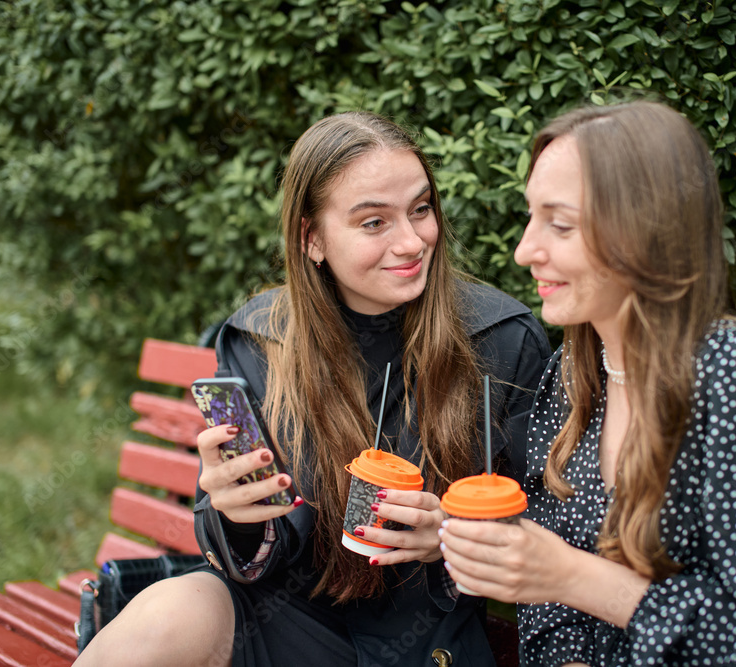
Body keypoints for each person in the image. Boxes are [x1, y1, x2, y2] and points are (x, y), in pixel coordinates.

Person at [75, 111, 551, 667]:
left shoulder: (501, 341)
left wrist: (453, 537)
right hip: (280, 624)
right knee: (169, 611)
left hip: (426, 642)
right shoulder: (259, 341)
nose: (411, 241)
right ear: (312, 239)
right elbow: (254, 551)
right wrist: (231, 511)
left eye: (420, 210)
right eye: (373, 223)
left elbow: (552, 526)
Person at [438, 101, 736, 665]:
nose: (525, 250)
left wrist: (574, 576)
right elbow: (546, 605)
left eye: (560, 224)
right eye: (531, 217)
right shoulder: (573, 373)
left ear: (646, 230)